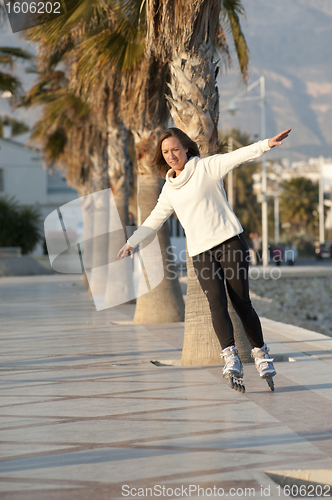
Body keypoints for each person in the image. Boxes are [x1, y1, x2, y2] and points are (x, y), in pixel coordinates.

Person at [118, 127, 291, 392]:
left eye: (175, 149)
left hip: (230, 243)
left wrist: (267, 144)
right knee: (216, 303)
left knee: (241, 302)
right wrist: (132, 242)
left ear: (186, 147)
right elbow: (154, 220)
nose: (172, 155)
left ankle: (260, 352)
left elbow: (239, 155)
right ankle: (230, 356)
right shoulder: (169, 190)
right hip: (201, 253)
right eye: (166, 152)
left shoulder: (206, 167)